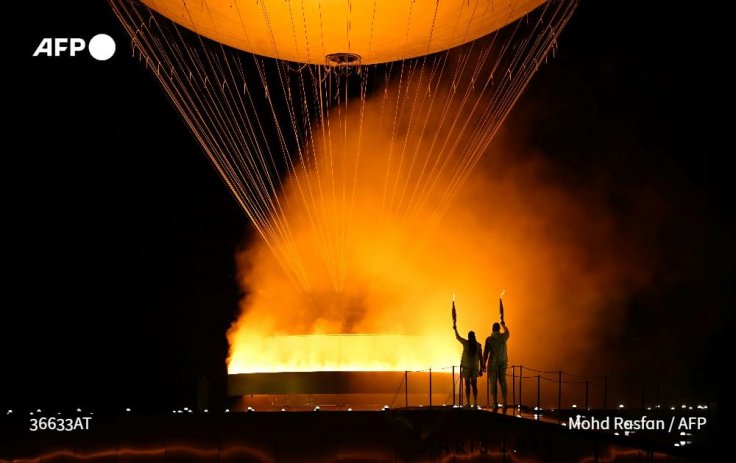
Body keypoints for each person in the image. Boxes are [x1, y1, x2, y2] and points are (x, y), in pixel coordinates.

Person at [484, 320, 510, 413]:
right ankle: (505, 401)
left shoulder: (489, 339)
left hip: (493, 364)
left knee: (493, 383)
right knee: (503, 382)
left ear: (492, 329)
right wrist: (504, 325)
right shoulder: (503, 337)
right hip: (503, 362)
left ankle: (494, 402)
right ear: (499, 329)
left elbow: (486, 353)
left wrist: (483, 364)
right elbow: (507, 332)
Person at [454, 326, 483, 408]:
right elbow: (481, 358)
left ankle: (469, 403)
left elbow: (458, 337)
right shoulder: (478, 345)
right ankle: (475, 403)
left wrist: (455, 329)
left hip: (467, 368)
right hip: (475, 368)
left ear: (468, 337)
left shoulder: (466, 343)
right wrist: (481, 368)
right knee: (474, 385)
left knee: (468, 385)